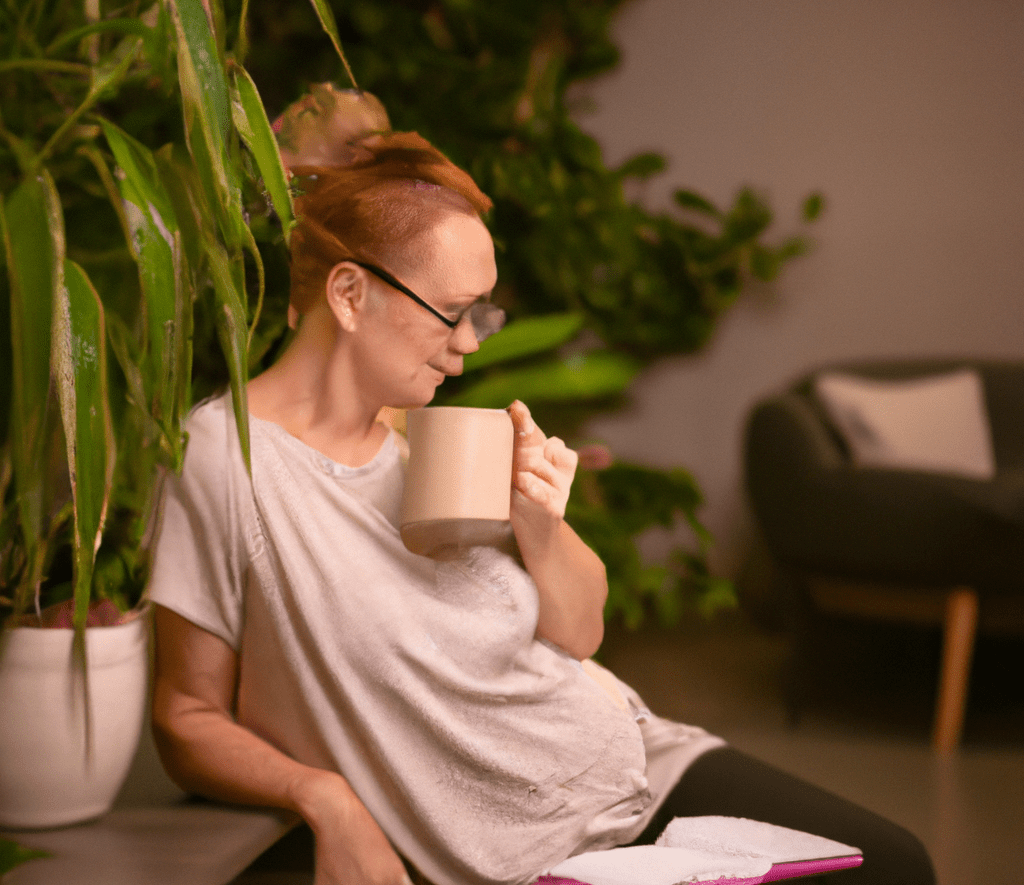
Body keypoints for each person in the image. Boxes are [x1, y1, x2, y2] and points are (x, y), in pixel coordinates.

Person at [148, 92, 935, 885]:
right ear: (350, 295)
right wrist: (325, 798)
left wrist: (542, 525)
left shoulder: (428, 440)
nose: (468, 345)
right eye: (451, 313)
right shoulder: (228, 458)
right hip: (501, 853)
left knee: (896, 866)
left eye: (480, 315)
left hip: (629, 772)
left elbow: (579, 634)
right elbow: (185, 719)